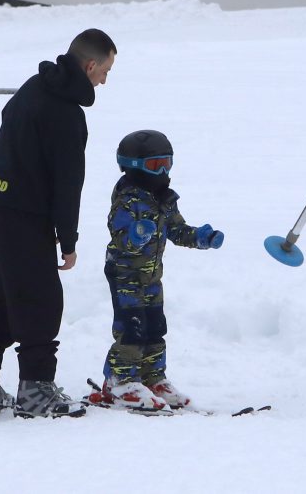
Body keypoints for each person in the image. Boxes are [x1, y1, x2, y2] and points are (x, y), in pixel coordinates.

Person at [0, 28, 116, 418]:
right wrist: (68, 238)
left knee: (3, 294)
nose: (105, 79)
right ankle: (35, 390)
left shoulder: (33, 87)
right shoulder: (66, 113)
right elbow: (68, 183)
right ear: (91, 64)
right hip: (23, 213)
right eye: (106, 69)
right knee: (40, 299)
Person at [87, 130, 224, 411]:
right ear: (132, 166)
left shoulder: (164, 198)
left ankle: (153, 377)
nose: (162, 171)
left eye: (167, 163)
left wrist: (200, 237)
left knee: (154, 327)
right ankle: (120, 380)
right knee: (132, 328)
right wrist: (135, 236)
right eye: (154, 165)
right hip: (125, 274)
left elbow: (176, 229)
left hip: (151, 276)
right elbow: (120, 235)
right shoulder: (128, 199)